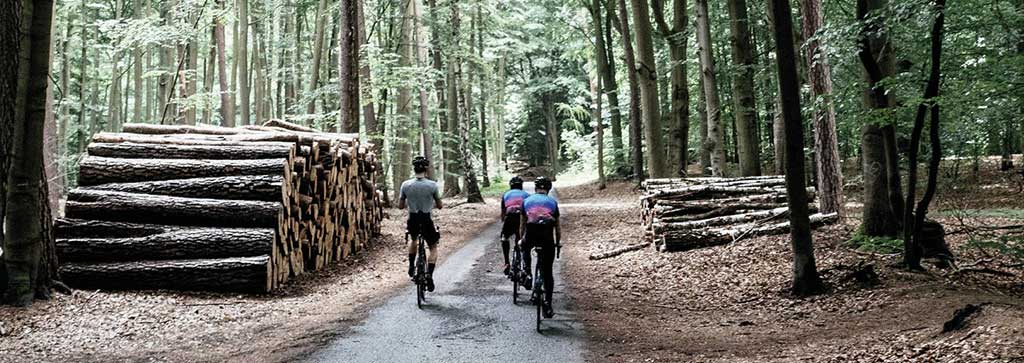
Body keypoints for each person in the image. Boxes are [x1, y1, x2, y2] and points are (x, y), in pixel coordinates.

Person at [518, 176, 561, 318]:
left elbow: (523, 224)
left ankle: (528, 273)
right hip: (547, 235)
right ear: (548, 189)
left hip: (531, 232)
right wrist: (558, 242)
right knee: (547, 272)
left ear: (536, 189)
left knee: (525, 247)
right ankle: (548, 304)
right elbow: (557, 227)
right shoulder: (553, 202)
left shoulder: (526, 201)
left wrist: (521, 239)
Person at [398, 156, 443, 292]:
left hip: (413, 218)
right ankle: (429, 274)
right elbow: (440, 205)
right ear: (426, 169)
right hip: (426, 218)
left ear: (414, 169)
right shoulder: (432, 185)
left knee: (414, 240)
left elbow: (400, 206)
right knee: (433, 247)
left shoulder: (405, 185)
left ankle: (411, 265)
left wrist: (410, 201)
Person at [500, 176, 529, 275]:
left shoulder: (506, 194)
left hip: (510, 217)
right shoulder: (527, 195)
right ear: (521, 186)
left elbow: (503, 212)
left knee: (504, 238)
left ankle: (507, 262)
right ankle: (525, 267)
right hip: (521, 218)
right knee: (523, 240)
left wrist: (504, 221)